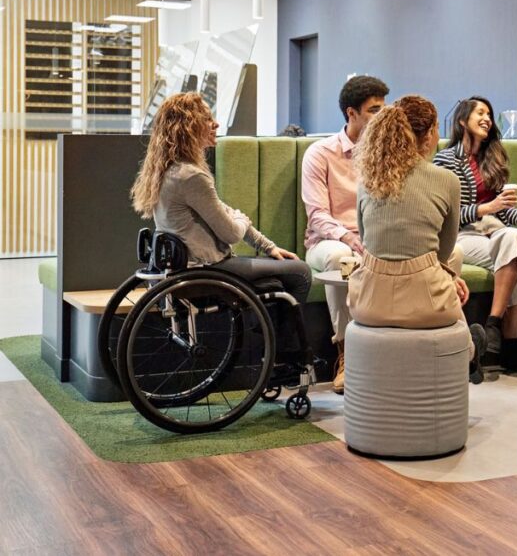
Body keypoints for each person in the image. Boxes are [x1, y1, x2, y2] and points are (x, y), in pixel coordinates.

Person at [348, 96, 487, 382]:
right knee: (447, 273)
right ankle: (469, 352)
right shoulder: (446, 180)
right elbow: (443, 251)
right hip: (426, 305)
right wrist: (447, 277)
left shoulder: (367, 180)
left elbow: (367, 242)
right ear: (431, 133)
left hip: (368, 302)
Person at [130, 92, 311, 309]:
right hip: (206, 270)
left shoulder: (170, 171)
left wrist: (269, 248)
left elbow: (225, 212)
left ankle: (269, 330)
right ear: (188, 128)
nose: (215, 124)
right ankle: (281, 333)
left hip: (184, 269)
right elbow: (231, 233)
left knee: (279, 275)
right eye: (207, 119)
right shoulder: (191, 176)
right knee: (301, 272)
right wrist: (242, 219)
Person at [433, 96, 517, 373]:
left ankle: (492, 324)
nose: (487, 119)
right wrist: (486, 208)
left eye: (489, 115)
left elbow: (503, 211)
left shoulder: (493, 157)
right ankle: (511, 344)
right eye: (480, 113)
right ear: (461, 120)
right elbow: (446, 213)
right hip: (461, 235)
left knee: (515, 239)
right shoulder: (446, 159)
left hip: (493, 233)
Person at [301, 74, 387, 394]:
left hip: (372, 239)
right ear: (352, 113)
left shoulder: (385, 154)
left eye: (384, 109)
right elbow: (317, 215)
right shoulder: (320, 153)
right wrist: (350, 238)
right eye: (375, 110)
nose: (382, 116)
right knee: (342, 258)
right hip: (327, 242)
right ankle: (346, 353)